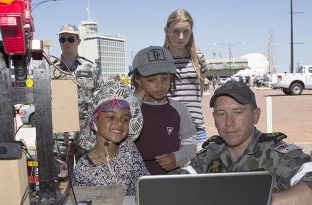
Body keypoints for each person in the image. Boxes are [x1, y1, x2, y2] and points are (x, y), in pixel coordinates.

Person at [181, 80, 312, 205]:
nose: (228, 123)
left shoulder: (278, 155)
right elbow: (173, 184)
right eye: (221, 114)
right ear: (214, 118)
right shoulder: (208, 156)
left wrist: (262, 201)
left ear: (255, 115)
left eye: (238, 112)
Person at [73, 80, 149, 196]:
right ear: (94, 122)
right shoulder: (83, 169)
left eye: (125, 119)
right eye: (111, 117)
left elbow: (145, 187)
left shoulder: (128, 150)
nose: (119, 123)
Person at [129, 46, 197, 175]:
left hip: (169, 181)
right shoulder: (127, 108)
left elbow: (190, 141)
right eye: (151, 79)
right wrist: (136, 100)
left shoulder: (179, 109)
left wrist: (177, 158)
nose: (159, 84)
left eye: (165, 78)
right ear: (137, 79)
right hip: (132, 182)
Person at [52, 24, 103, 158]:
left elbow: (101, 98)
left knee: (87, 175)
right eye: (62, 39)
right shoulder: (50, 69)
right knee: (61, 176)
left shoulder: (90, 67)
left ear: (78, 41)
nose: (66, 42)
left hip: (86, 133)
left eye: (70, 39)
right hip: (60, 135)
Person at [163, 8, 208, 145]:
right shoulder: (161, 60)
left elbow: (198, 92)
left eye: (185, 31)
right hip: (168, 129)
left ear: (191, 32)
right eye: (176, 31)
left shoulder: (198, 58)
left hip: (197, 129)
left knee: (200, 166)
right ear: (166, 31)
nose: (181, 36)